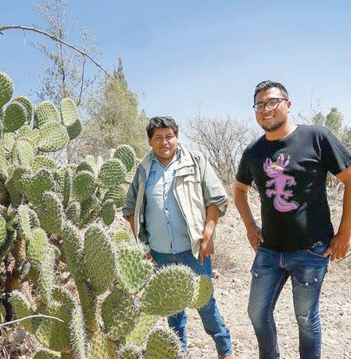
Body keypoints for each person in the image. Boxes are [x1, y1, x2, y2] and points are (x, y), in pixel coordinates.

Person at [234, 80, 351, 359]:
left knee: (305, 319)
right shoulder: (253, 152)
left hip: (311, 250)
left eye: (273, 102)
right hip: (269, 251)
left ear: (288, 105)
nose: (266, 109)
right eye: (259, 105)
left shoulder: (317, 137)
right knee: (257, 312)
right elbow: (239, 190)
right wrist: (251, 226)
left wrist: (345, 233)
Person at [123, 116, 233, 359]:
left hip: (193, 249)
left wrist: (208, 233)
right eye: (158, 137)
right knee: (172, 307)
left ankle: (225, 350)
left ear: (176, 137)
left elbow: (216, 198)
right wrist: (142, 246)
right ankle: (178, 351)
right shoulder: (143, 169)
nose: (165, 142)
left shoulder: (195, 161)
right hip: (159, 252)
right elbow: (129, 210)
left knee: (205, 303)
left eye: (169, 136)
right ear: (150, 141)